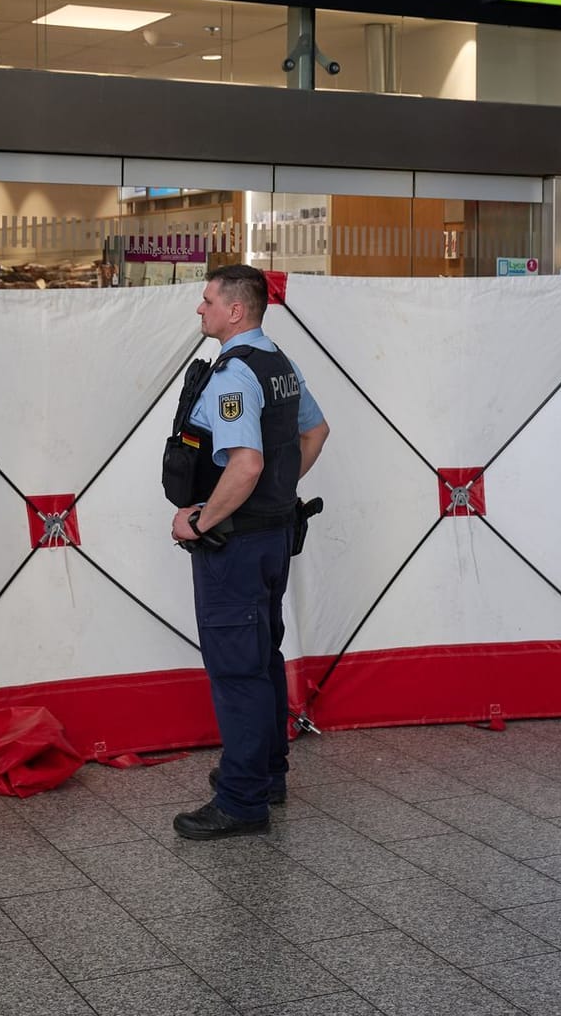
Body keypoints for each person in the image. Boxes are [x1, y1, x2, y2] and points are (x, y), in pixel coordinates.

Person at [165, 265, 328, 839]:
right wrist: (274, 499)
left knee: (237, 668)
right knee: (262, 655)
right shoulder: (278, 364)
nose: (200, 309)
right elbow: (316, 431)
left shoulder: (234, 376)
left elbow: (246, 463)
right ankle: (267, 775)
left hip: (235, 545)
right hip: (273, 537)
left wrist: (201, 521)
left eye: (207, 300)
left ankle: (241, 801)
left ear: (236, 310)